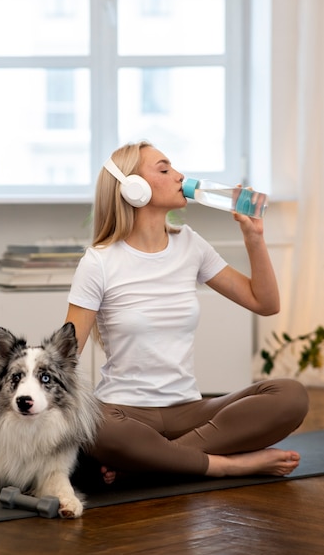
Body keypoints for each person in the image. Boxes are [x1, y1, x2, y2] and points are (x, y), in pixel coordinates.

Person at [65, 141, 309, 484]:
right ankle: (230, 466)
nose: (180, 176)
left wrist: (253, 236)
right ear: (134, 189)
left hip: (190, 410)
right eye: (164, 170)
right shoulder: (99, 262)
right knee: (96, 427)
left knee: (291, 396)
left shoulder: (190, 245)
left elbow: (265, 304)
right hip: (124, 415)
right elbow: (66, 356)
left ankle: (150, 462)